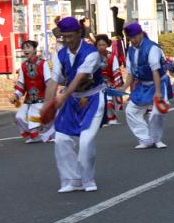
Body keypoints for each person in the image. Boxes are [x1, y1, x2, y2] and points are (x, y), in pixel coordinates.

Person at [43, 17, 106, 193]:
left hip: (92, 98)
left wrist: (62, 98)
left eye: (71, 36)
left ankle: (87, 179)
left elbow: (80, 78)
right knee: (62, 139)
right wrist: (47, 104)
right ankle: (72, 179)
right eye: (64, 37)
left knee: (86, 140)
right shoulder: (60, 54)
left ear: (79, 33)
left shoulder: (91, 53)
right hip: (72, 99)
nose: (67, 41)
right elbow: (54, 80)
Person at [123, 23, 171, 149]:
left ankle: (157, 139)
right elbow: (130, 73)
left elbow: (155, 70)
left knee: (156, 113)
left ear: (140, 34)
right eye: (130, 38)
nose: (132, 40)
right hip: (143, 85)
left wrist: (158, 92)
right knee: (130, 111)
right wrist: (123, 88)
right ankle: (145, 139)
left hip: (158, 83)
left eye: (134, 37)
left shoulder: (152, 48)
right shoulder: (131, 50)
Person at [11, 40, 52, 144]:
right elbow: (21, 83)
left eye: (28, 47)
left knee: (35, 118)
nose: (25, 50)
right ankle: (34, 133)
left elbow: (48, 81)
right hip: (29, 99)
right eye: (24, 48)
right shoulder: (23, 66)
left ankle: (41, 132)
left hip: (42, 98)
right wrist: (16, 95)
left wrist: (51, 97)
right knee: (19, 117)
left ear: (34, 50)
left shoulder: (43, 63)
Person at [95, 34, 123, 126]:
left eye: (103, 45)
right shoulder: (93, 56)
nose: (101, 47)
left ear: (107, 45)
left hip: (109, 82)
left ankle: (111, 117)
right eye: (99, 45)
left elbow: (116, 71)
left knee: (108, 101)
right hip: (95, 83)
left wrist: (117, 84)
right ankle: (104, 119)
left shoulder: (112, 56)